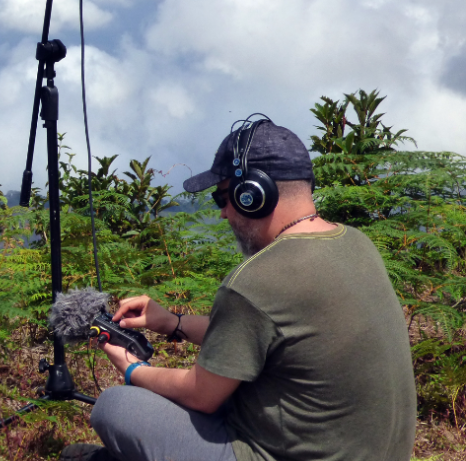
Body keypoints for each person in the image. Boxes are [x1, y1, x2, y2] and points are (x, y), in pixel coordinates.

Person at [61, 117, 416, 461]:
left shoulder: (256, 279)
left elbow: (201, 396)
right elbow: (265, 332)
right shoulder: (355, 242)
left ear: (253, 195)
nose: (223, 215)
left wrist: (131, 368)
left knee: (117, 407)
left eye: (222, 199)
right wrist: (172, 322)